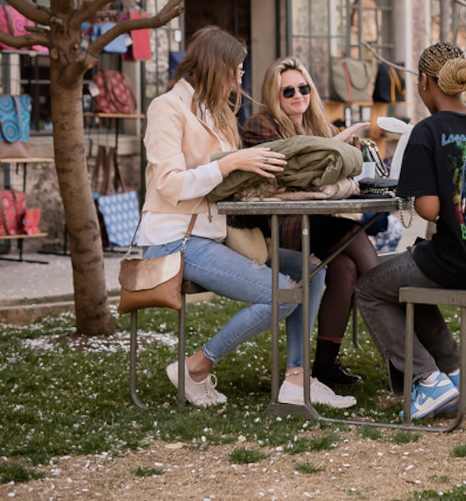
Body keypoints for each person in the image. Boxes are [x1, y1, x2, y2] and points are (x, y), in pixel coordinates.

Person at [138, 27, 352, 409]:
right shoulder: (166, 108)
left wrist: (321, 157)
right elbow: (169, 184)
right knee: (282, 294)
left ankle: (296, 379)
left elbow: (234, 182)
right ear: (215, 68)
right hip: (173, 238)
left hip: (217, 235)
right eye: (236, 70)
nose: (240, 79)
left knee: (312, 270)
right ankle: (195, 367)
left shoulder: (216, 112)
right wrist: (232, 163)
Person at [355, 42, 466, 420]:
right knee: (407, 282)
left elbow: (429, 210)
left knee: (369, 288)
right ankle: (457, 370)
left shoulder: (427, 131)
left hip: (459, 261)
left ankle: (425, 379)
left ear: (424, 82)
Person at [242, 57, 378, 390]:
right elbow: (291, 175)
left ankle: (325, 365)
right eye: (288, 91)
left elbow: (332, 172)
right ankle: (394, 325)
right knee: (357, 241)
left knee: (346, 268)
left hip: (316, 220)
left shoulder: (319, 124)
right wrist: (335, 147)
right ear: (274, 94)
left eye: (303, 88)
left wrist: (342, 148)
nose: (297, 96)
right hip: (281, 224)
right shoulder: (260, 125)